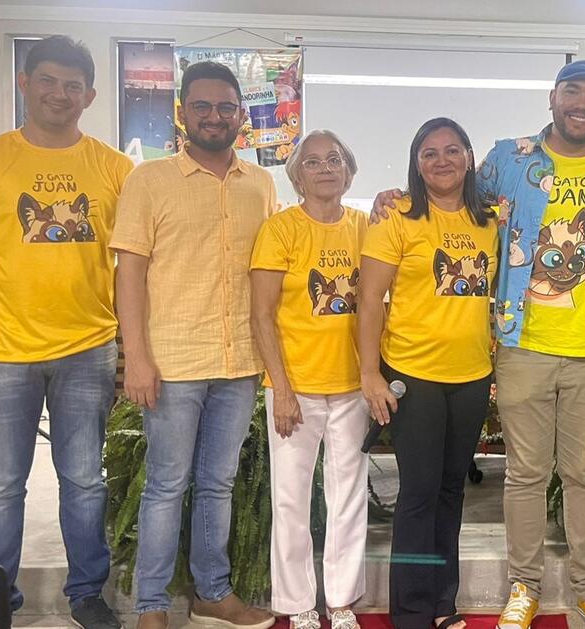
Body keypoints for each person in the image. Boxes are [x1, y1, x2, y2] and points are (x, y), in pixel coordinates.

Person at [374, 59, 585, 629]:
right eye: (572, 91)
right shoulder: (507, 159)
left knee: (584, 473)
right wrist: (391, 192)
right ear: (553, 97)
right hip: (521, 344)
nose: (582, 103)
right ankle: (524, 586)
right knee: (525, 474)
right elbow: (449, 188)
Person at [0, 35, 128, 629]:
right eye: (47, 80)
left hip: (89, 350)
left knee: (85, 482)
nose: (59, 94)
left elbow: (132, 266)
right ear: (24, 83)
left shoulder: (115, 169)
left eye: (73, 85)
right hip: (1, 354)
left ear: (89, 96)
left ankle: (86, 594)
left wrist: (130, 349)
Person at [112, 61, 276, 629]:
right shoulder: (149, 181)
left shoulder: (261, 184)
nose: (214, 116)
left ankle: (213, 593)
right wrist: (136, 357)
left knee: (217, 484)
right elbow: (129, 276)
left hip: (238, 363)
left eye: (226, 107)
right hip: (173, 362)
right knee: (165, 485)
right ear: (182, 113)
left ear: (241, 115)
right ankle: (152, 606)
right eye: (202, 106)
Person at [357, 117, 498, 629]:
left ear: (469, 158)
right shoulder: (395, 216)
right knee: (418, 493)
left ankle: (443, 603)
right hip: (412, 375)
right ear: (416, 164)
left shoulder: (490, 219)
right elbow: (369, 300)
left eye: (452, 150)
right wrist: (370, 374)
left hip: (472, 377)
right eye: (429, 153)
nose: (442, 161)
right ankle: (412, 612)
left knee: (451, 491)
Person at [250, 130, 368, 629]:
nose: (325, 169)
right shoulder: (280, 229)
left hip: (353, 386)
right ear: (297, 176)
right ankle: (298, 603)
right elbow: (261, 314)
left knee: (349, 496)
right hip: (294, 387)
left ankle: (341, 602)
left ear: (348, 171)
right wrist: (280, 388)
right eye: (314, 162)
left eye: (334, 160)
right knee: (291, 498)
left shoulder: (365, 226)